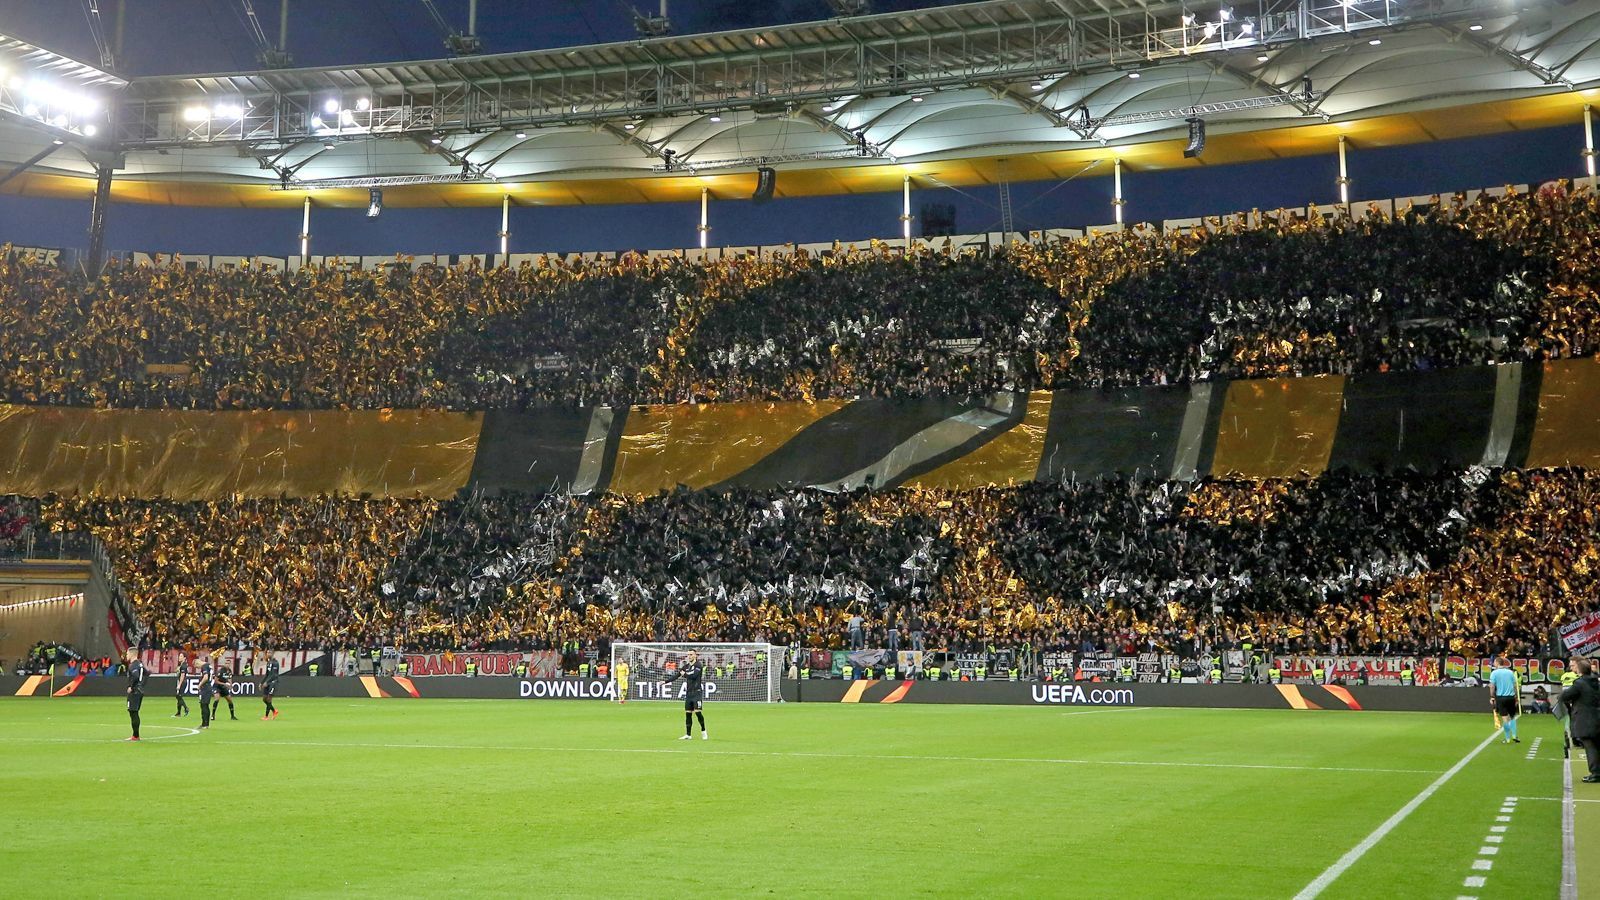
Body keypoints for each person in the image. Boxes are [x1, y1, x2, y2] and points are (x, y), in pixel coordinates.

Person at [1560, 660, 1600, 783]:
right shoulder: (1596, 681)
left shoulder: (1579, 683)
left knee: (1590, 745)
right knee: (1597, 744)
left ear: (1580, 669)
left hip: (1585, 717)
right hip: (1597, 715)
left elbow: (1564, 696)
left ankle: (1596, 772)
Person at [663, 649, 707, 740]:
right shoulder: (686, 667)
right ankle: (688, 734)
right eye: (688, 655)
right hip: (689, 693)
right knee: (688, 714)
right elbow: (677, 675)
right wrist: (665, 681)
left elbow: (694, 676)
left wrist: (685, 675)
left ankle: (703, 731)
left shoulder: (698, 665)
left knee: (698, 712)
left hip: (697, 692)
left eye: (691, 654)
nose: (689, 656)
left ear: (695, 655)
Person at [1489, 657, 1521, 744]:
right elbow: (1515, 686)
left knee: (1505, 718)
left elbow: (1492, 686)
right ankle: (1514, 736)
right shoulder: (1510, 672)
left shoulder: (1494, 673)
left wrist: (1492, 697)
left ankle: (1507, 738)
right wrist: (1516, 698)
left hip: (1501, 697)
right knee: (1512, 717)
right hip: (1511, 697)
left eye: (1494, 662)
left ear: (1497, 663)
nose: (1493, 664)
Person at [124, 649, 148, 742]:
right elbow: (147, 674)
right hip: (140, 691)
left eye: (127, 653)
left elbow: (136, 676)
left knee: (133, 712)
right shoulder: (140, 664)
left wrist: (132, 687)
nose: (126, 655)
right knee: (134, 712)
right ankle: (135, 735)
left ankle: (135, 736)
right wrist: (142, 685)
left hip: (135, 692)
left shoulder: (133, 665)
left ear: (131, 654)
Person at [197, 657, 215, 730]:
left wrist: (200, 685)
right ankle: (204, 724)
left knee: (204, 705)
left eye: (197, 667)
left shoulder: (204, 666)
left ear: (197, 663)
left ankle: (205, 724)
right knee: (204, 705)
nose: (198, 668)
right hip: (208, 687)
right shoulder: (208, 665)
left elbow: (206, 677)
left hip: (206, 687)